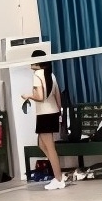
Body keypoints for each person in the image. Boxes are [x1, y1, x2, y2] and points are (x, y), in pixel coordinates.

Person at [24, 51, 68, 191]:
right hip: (52, 113)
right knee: (42, 144)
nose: (31, 63)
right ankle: (58, 171)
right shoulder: (51, 75)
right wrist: (59, 113)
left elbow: (40, 96)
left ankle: (59, 179)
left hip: (45, 114)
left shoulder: (38, 75)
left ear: (38, 62)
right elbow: (58, 96)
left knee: (49, 147)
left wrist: (28, 96)